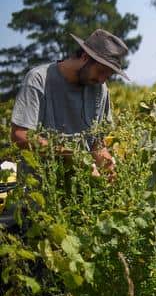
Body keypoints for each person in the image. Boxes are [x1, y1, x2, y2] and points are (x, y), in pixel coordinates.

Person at [10, 28, 129, 181]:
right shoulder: (39, 80)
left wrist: (106, 165)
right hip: (40, 192)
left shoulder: (100, 89)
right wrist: (68, 155)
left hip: (80, 194)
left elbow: (96, 144)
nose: (102, 79)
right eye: (101, 71)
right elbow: (20, 135)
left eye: (108, 75)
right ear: (85, 57)